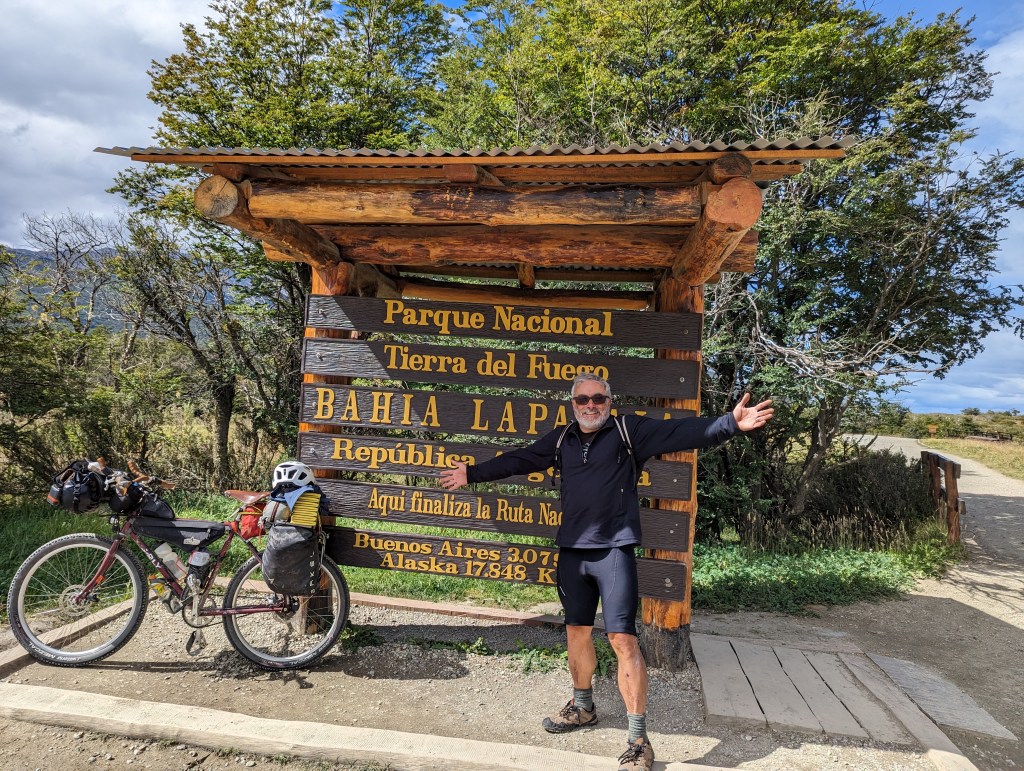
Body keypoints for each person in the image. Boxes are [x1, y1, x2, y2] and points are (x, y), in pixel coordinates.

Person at [440, 373, 773, 771]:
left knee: (623, 641)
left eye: (598, 398)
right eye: (583, 399)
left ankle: (638, 740)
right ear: (573, 403)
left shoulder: (629, 430)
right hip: (572, 554)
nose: (590, 405)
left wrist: (729, 424)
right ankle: (583, 708)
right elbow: (520, 458)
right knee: (576, 633)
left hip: (614, 552)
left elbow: (681, 433)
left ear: (609, 401)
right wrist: (471, 473)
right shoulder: (562, 439)